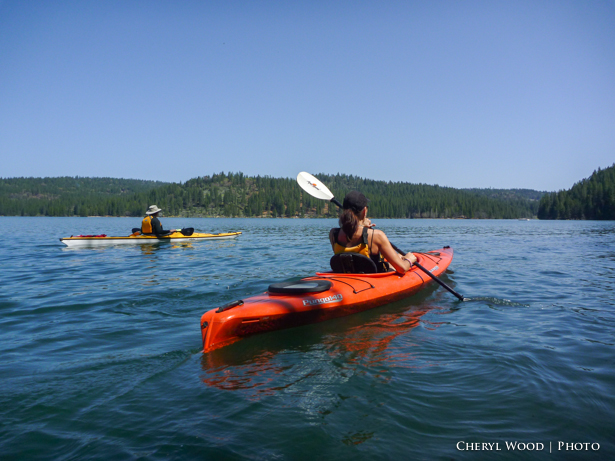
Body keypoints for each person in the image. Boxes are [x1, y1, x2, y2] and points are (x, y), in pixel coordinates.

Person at [329, 191, 417, 273]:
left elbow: (351, 235)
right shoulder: (376, 236)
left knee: (398, 256)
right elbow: (402, 268)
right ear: (364, 211)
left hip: (349, 278)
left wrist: (362, 226)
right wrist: (409, 259)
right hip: (372, 280)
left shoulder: (333, 234)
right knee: (398, 260)